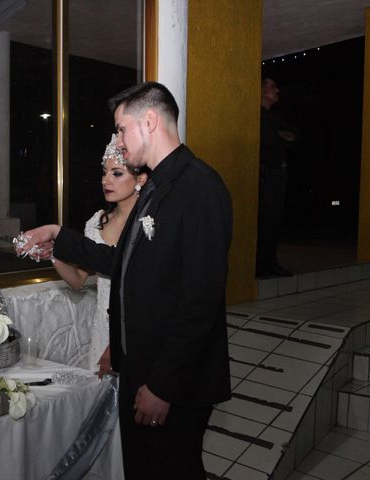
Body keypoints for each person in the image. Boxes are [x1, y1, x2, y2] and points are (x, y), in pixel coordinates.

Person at [18, 81, 232, 479]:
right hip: (140, 368)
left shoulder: (199, 188)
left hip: (174, 382)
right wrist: (59, 236)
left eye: (121, 128)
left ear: (148, 121)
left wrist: (162, 386)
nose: (118, 138)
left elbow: (199, 300)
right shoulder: (153, 189)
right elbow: (126, 263)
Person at [51, 133, 147, 376]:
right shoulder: (96, 223)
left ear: (141, 179)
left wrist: (118, 343)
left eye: (116, 173)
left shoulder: (147, 225)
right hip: (101, 328)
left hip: (136, 329)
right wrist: (53, 254)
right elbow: (77, 280)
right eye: (104, 172)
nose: (106, 180)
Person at [257, 77, 297, 278]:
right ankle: (262, 265)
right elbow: (269, 140)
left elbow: (294, 135)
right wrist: (280, 137)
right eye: (273, 86)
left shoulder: (275, 116)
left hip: (277, 173)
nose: (278, 90)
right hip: (267, 174)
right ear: (262, 90)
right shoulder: (258, 116)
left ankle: (270, 263)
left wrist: (281, 137)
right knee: (266, 219)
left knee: (274, 220)